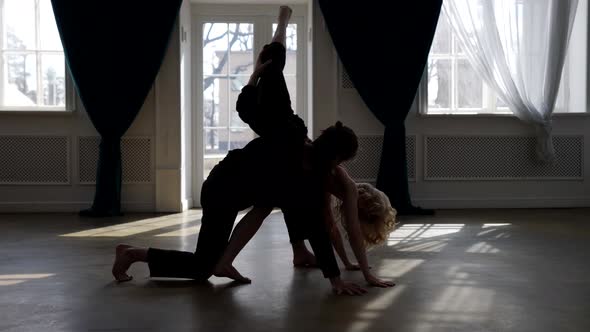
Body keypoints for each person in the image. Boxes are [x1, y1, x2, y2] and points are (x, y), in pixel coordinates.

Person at [211, 6, 395, 290]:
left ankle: (251, 257)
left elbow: (328, 229)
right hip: (260, 158)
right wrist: (356, 273)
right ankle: (282, 25)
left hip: (270, 156)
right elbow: (330, 230)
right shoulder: (327, 177)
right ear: (336, 159)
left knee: (271, 202)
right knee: (276, 199)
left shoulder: (320, 171)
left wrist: (347, 268)